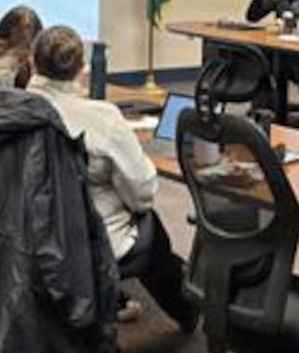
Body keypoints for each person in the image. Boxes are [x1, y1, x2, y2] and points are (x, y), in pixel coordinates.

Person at [27, 25, 197, 332]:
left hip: (26, 236)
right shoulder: (102, 118)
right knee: (150, 226)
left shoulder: (12, 110)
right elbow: (142, 194)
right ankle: (187, 311)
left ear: (31, 63)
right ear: (82, 69)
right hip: (88, 242)